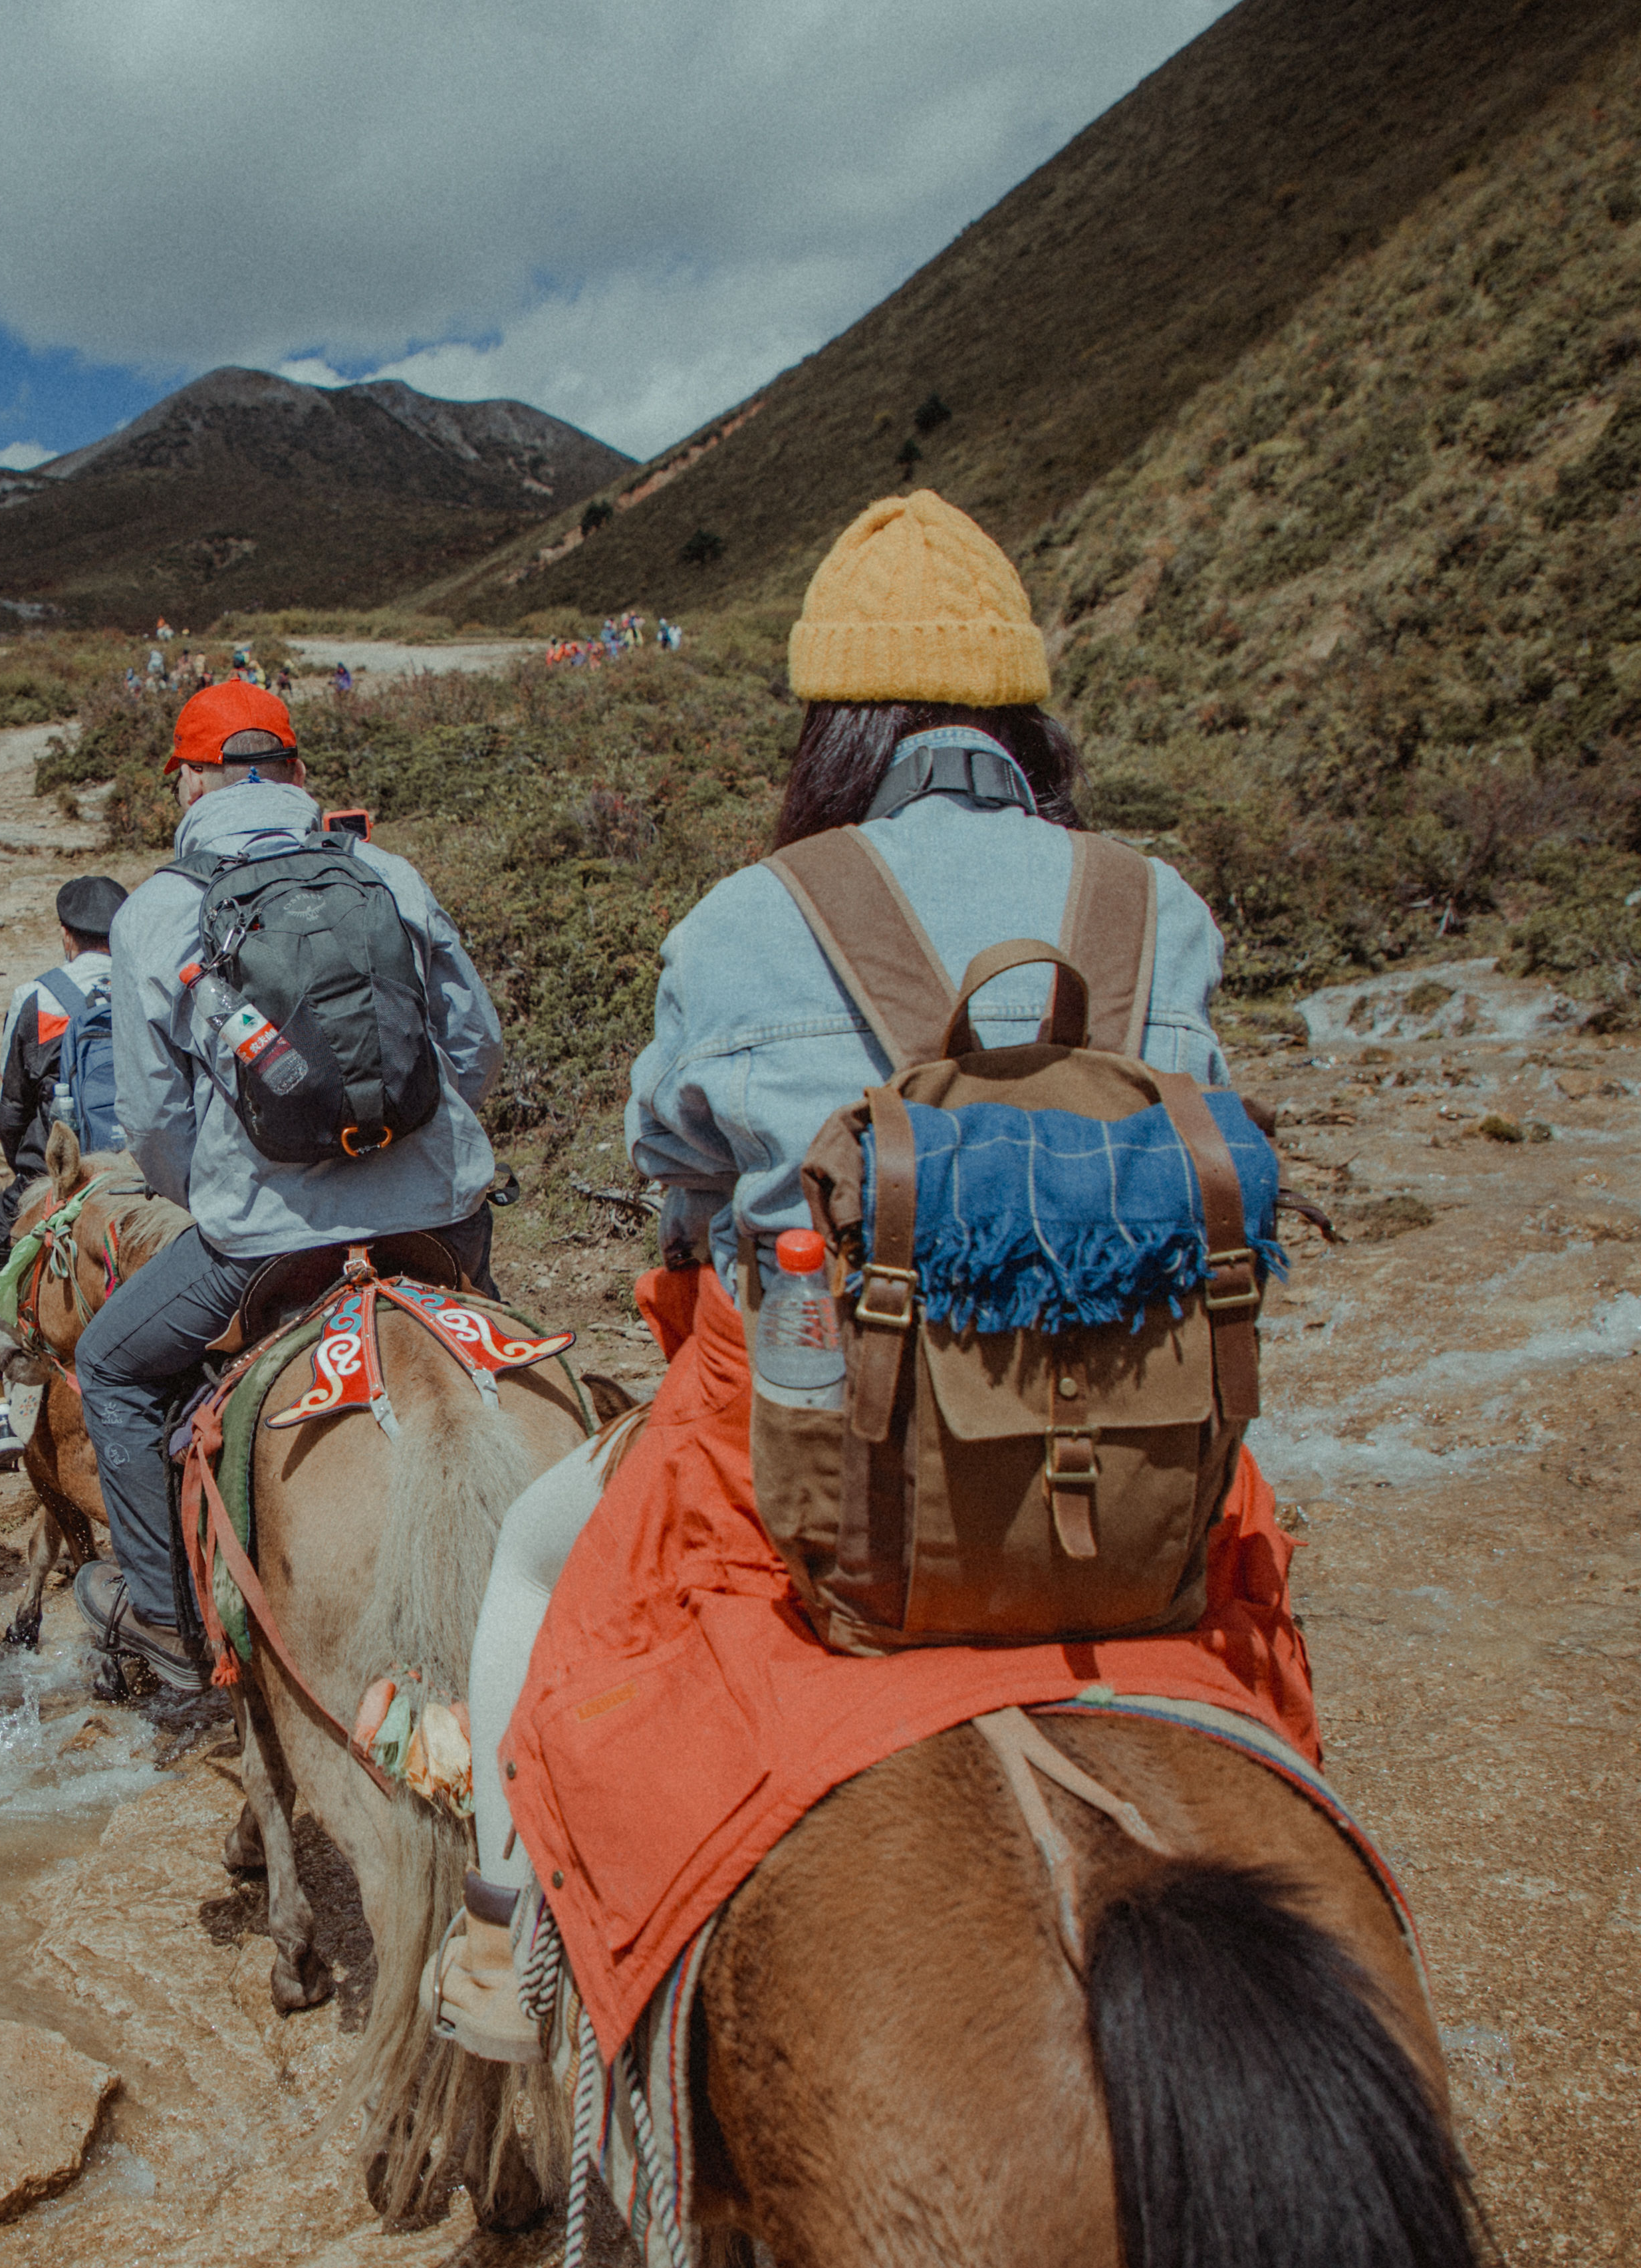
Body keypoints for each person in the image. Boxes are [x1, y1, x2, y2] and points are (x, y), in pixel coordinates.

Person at [423, 489, 1241, 2059]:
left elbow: (668, 1156)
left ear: (833, 732)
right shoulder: (1158, 908)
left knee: (533, 1558)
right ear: (1026, 720)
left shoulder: (745, 918)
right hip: (1136, 1467)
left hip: (821, 1464)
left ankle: (501, 1927)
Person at [72, 680, 508, 1694]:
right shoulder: (388, 874)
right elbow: (473, 1049)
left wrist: (217, 1198)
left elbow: (152, 1123)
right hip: (441, 1219)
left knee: (114, 1369)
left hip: (265, 1240)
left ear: (188, 782)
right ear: (299, 772)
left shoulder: (159, 914)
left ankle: (163, 1614)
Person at [0, 873, 130, 1475]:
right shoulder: (150, 985)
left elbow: (11, 1107)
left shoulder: (39, 996)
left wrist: (32, 1178)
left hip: (62, 1180)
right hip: (147, 1180)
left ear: (66, 937)